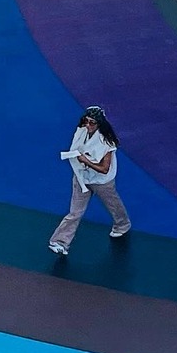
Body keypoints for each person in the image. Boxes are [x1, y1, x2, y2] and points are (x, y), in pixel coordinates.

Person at [49, 105, 131, 257]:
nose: (88, 125)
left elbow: (105, 168)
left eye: (92, 122)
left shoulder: (107, 141)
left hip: (102, 181)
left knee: (113, 204)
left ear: (99, 123)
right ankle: (60, 242)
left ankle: (123, 225)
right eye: (86, 121)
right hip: (82, 177)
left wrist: (85, 161)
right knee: (75, 212)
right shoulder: (82, 131)